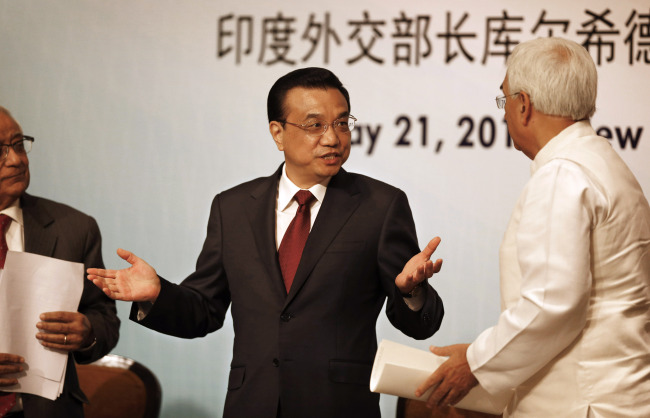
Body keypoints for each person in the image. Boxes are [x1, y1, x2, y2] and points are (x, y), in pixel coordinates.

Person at [88, 67, 445, 417]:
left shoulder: (380, 205)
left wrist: (412, 293)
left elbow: (421, 324)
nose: (333, 138)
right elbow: (204, 310)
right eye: (314, 125)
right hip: (253, 404)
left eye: (341, 122)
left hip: (339, 406)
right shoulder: (233, 208)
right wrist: (158, 294)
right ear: (277, 133)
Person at [416, 37, 650, 417]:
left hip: (579, 402)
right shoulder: (607, 164)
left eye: (504, 100)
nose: (504, 113)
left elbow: (552, 305)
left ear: (524, 105)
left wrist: (475, 362)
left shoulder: (562, 175)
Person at [0, 106, 120, 417]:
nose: (16, 159)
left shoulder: (74, 228)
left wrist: (88, 332)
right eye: (0, 150)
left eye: (18, 144)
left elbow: (104, 317)